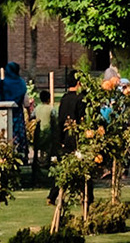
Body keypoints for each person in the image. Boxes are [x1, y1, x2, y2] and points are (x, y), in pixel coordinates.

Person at [48, 70, 86, 205]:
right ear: (78, 82)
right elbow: (82, 119)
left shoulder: (64, 98)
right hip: (76, 137)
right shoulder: (81, 99)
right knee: (83, 169)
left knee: (63, 168)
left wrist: (59, 139)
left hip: (64, 136)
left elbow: (60, 120)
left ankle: (52, 195)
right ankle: (87, 197)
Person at [0, 62, 29, 157]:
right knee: (18, 135)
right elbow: (26, 102)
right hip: (18, 114)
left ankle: (6, 155)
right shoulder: (21, 83)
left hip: (4, 113)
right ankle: (21, 155)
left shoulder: (2, 83)